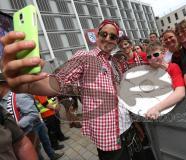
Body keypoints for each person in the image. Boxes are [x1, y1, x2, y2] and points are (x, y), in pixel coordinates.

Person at [0, 19, 140, 160]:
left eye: (113, 36)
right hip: (110, 136)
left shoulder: (115, 62)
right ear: (97, 36)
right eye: (104, 34)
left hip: (128, 127)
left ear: (116, 41)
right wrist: (30, 86)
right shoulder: (85, 57)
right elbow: (58, 82)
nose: (108, 39)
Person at [0, 74, 64, 160]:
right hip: (25, 131)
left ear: (3, 85)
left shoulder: (18, 95)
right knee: (36, 150)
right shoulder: (3, 101)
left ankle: (52, 155)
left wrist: (15, 127)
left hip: (33, 127)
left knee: (42, 144)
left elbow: (32, 113)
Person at [145, 42, 185, 119]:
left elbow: (180, 93)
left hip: (178, 112)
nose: (152, 58)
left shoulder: (173, 67)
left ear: (163, 54)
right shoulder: (150, 74)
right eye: (149, 57)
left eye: (156, 55)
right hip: (160, 115)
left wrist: (156, 108)